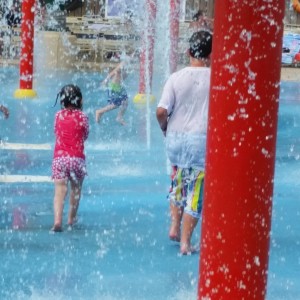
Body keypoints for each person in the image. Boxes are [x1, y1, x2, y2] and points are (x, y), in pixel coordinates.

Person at [156, 31, 212, 254]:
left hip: (175, 139)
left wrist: (164, 127)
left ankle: (174, 225)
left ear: (189, 52)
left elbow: (161, 111)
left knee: (178, 180)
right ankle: (186, 242)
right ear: (211, 54)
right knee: (196, 191)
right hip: (200, 140)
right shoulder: (215, 78)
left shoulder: (176, 78)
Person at [51, 84, 89, 232]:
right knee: (76, 189)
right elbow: (85, 135)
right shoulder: (83, 117)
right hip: (77, 159)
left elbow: (57, 132)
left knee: (59, 190)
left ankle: (57, 220)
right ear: (79, 101)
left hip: (59, 159)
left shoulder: (58, 116)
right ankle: (71, 219)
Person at [95, 52, 133, 126]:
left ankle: (119, 117)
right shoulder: (124, 63)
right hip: (114, 86)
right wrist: (105, 80)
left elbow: (123, 75)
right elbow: (113, 72)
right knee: (115, 104)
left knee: (125, 102)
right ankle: (99, 112)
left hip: (119, 86)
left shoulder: (128, 64)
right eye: (133, 56)